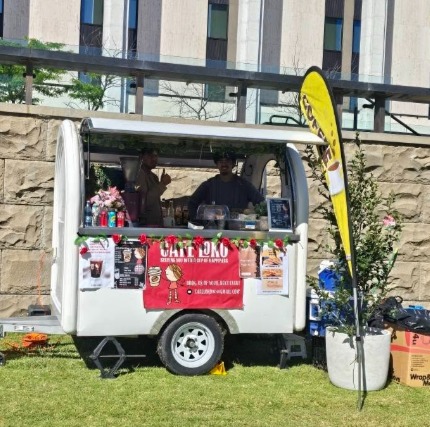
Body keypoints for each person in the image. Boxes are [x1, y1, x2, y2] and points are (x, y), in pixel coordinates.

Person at [188, 151, 264, 219]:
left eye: (227, 161)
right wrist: (197, 221)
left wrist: (254, 217)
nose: (224, 164)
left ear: (233, 164)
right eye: (221, 162)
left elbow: (262, 204)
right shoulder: (208, 185)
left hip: (237, 227)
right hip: (213, 227)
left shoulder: (244, 185)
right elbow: (192, 202)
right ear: (217, 164)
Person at [135, 147, 171, 227]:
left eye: (156, 156)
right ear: (141, 157)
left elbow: (154, 198)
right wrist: (162, 184)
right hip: (145, 226)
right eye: (150, 156)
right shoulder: (139, 174)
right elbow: (145, 201)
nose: (154, 159)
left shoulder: (153, 176)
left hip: (155, 225)